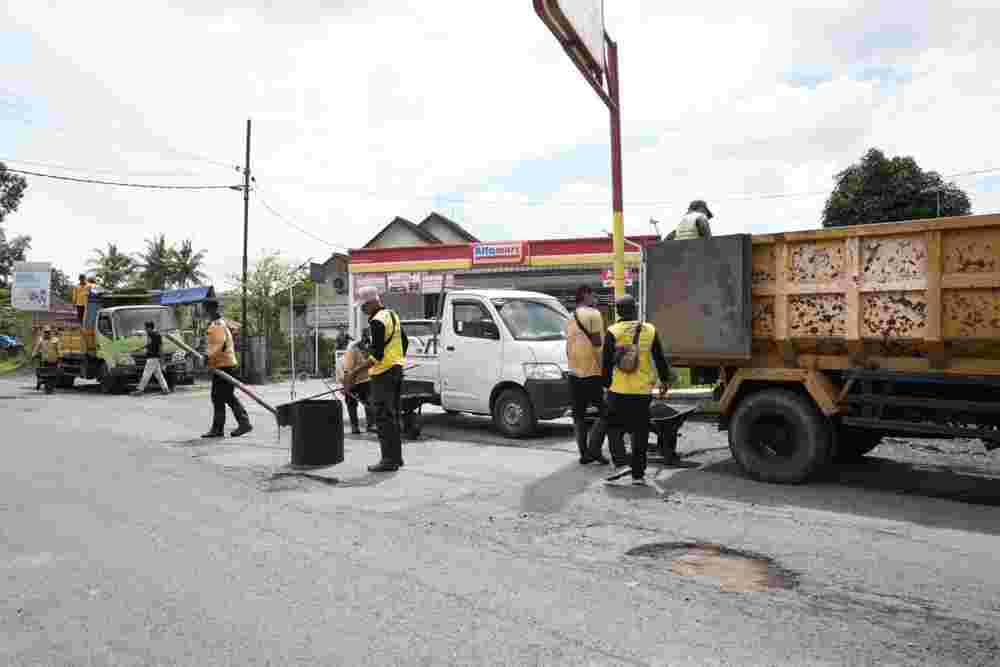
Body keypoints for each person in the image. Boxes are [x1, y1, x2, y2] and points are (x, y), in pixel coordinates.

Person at [588, 295, 672, 486]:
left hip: (618, 390)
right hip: (642, 391)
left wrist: (605, 385)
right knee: (640, 432)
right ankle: (638, 475)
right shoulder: (649, 330)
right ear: (635, 309)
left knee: (614, 428)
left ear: (618, 312)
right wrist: (665, 381)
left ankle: (620, 463)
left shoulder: (613, 331)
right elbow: (659, 359)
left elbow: (606, 364)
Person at [354, 286, 408, 472]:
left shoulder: (377, 321)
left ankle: (388, 460)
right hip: (396, 370)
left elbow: (376, 356)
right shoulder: (392, 315)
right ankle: (396, 458)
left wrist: (354, 373)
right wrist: (397, 361)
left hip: (383, 374)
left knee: (384, 417)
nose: (362, 310)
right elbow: (404, 342)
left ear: (371, 303)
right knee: (393, 416)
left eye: (363, 306)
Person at [565, 285, 609, 465]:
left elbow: (568, 347)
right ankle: (594, 449)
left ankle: (584, 454)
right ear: (585, 295)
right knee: (606, 412)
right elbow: (598, 345)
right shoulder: (594, 314)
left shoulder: (570, 316)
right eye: (593, 295)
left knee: (579, 415)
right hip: (592, 372)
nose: (595, 298)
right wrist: (604, 370)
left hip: (574, 373)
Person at [201, 299, 252, 438]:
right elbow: (215, 344)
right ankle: (231, 426)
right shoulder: (218, 323)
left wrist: (208, 356)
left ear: (210, 309)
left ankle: (241, 424)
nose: (203, 311)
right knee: (223, 396)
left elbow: (218, 344)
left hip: (225, 366)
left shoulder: (217, 325)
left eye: (204, 309)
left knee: (222, 396)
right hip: (223, 365)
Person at [338, 329, 376, 435]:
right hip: (351, 380)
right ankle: (354, 427)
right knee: (351, 403)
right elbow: (347, 370)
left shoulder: (371, 349)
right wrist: (346, 386)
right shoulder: (353, 350)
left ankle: (371, 425)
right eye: (365, 340)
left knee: (369, 402)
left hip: (365, 381)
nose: (367, 345)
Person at [132, 321, 170, 396]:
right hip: (154, 358)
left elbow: (160, 348)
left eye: (146, 328)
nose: (145, 329)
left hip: (153, 358)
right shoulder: (152, 334)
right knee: (159, 375)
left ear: (149, 328)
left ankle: (140, 390)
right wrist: (139, 348)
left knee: (146, 374)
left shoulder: (155, 335)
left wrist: (162, 359)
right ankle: (165, 389)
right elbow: (149, 344)